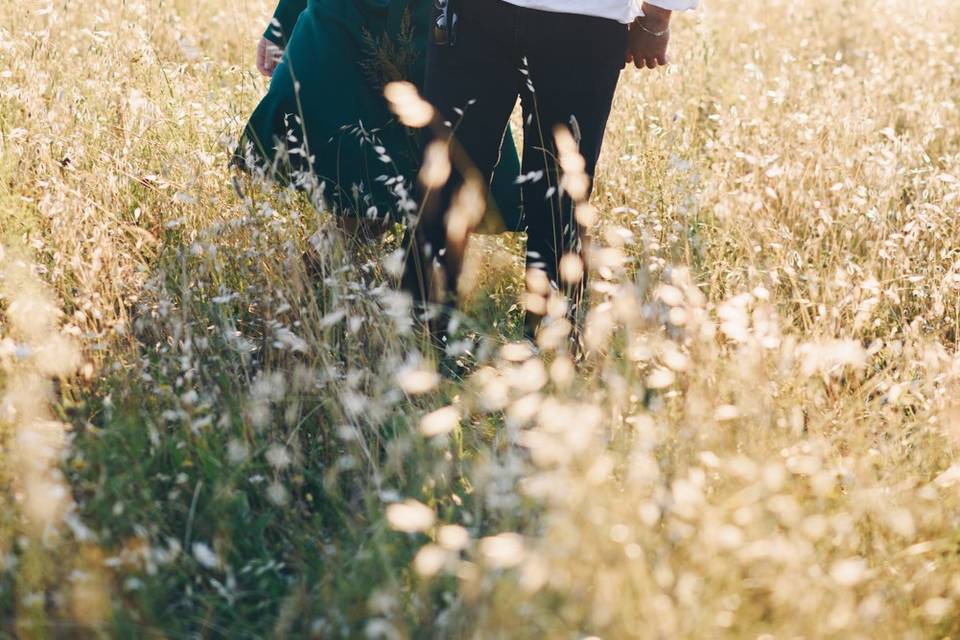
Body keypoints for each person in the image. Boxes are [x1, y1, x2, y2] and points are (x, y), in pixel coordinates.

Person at [401, 0, 698, 344]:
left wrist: (659, 13)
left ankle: (550, 351)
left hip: (584, 20)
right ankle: (418, 341)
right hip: (473, 16)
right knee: (444, 181)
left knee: (560, 193)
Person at [236, 0, 523, 232]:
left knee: (416, 138)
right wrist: (282, 20)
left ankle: (369, 249)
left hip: (429, 15)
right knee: (304, 97)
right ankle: (341, 249)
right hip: (342, 11)